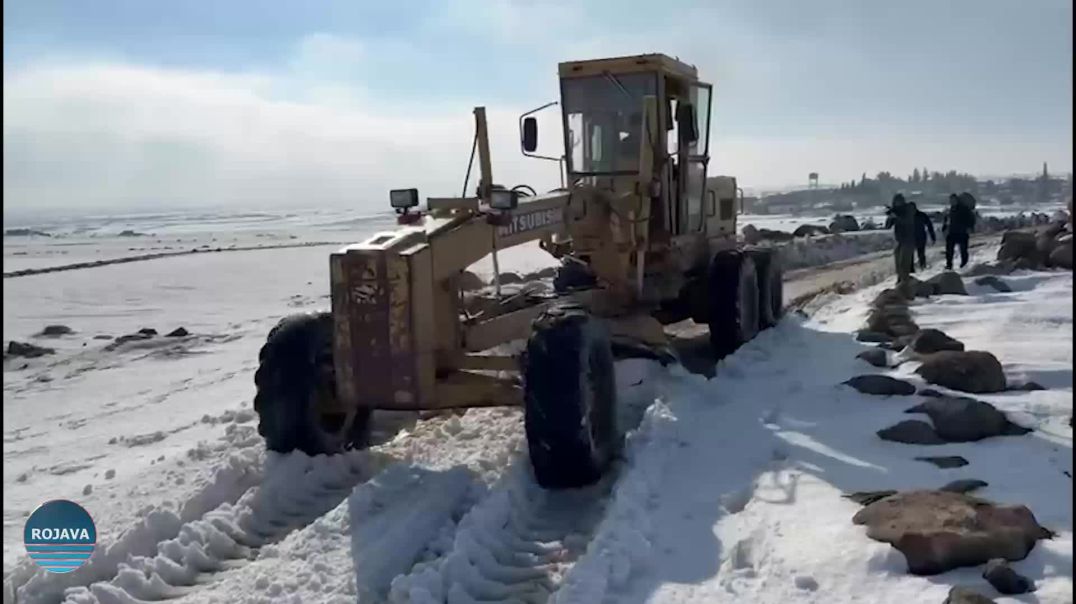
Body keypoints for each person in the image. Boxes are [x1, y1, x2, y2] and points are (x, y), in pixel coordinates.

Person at [884, 194, 916, 282]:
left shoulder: (908, 210)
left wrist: (896, 217)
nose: (898, 203)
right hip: (899, 240)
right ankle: (900, 281)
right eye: (896, 202)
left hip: (908, 240)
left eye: (899, 201)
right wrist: (890, 217)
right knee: (898, 264)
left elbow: (908, 222)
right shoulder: (897, 211)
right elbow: (887, 226)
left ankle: (904, 282)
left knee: (904, 263)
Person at [942, 193, 976, 269]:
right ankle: (949, 265)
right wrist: (944, 229)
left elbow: (971, 218)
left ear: (956, 200)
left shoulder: (964, 209)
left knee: (963, 250)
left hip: (962, 232)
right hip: (952, 232)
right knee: (949, 250)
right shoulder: (950, 210)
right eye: (950, 200)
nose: (951, 202)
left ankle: (964, 264)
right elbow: (946, 220)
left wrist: (970, 227)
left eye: (953, 200)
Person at [909, 202, 936, 271]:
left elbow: (929, 225)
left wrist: (933, 237)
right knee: (910, 255)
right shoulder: (907, 216)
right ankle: (911, 270)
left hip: (920, 237)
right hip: (910, 238)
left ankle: (923, 268)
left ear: (915, 208)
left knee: (921, 254)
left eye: (912, 208)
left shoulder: (921, 215)